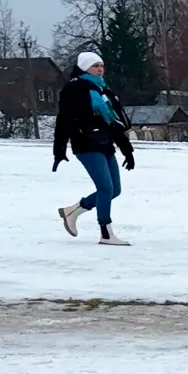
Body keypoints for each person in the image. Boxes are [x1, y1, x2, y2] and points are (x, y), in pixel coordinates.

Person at [53, 51, 135, 246]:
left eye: (101, 65)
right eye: (95, 66)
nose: (100, 69)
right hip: (85, 144)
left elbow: (114, 123)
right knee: (105, 188)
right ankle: (106, 234)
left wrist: (127, 150)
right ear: (84, 68)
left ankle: (72, 211)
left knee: (114, 190)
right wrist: (59, 150)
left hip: (105, 143)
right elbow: (63, 120)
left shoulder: (103, 90)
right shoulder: (74, 89)